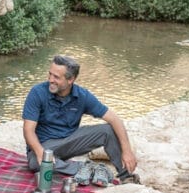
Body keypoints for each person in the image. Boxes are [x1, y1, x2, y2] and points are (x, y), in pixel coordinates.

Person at [22, 54, 140, 183]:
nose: (50, 79)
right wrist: (40, 153)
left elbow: (115, 119)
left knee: (107, 130)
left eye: (56, 77)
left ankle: (126, 176)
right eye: (50, 74)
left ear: (70, 79)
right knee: (35, 163)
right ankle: (86, 168)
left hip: (71, 141)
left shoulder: (82, 96)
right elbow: (28, 130)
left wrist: (127, 151)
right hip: (45, 145)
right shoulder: (37, 92)